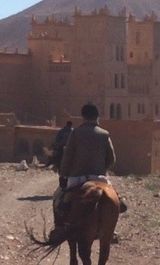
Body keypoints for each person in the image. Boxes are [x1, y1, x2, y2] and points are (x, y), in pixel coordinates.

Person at [50, 103, 127, 240]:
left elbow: (67, 158)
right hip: (98, 177)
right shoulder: (105, 134)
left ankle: (59, 228)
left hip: (77, 178)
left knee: (59, 199)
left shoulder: (75, 133)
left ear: (83, 117)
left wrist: (64, 175)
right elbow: (112, 158)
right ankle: (111, 229)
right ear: (97, 117)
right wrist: (102, 169)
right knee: (114, 199)